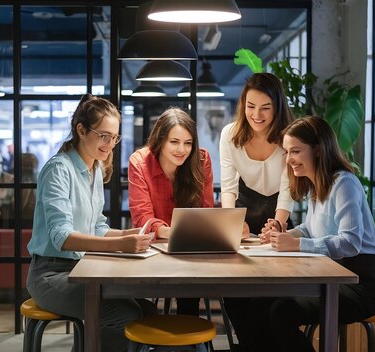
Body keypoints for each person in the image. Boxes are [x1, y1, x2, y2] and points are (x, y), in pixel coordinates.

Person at [234, 116, 375, 352]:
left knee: (280, 311)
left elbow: (350, 243)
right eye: (286, 152)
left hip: (362, 284)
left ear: (318, 150)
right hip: (330, 277)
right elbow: (310, 229)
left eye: (295, 151)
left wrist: (295, 245)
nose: (288, 159)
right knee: (256, 305)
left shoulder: (344, 183)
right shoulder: (317, 185)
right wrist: (280, 236)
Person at [26, 94, 152, 352]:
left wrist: (127, 234)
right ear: (81, 130)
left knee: (146, 308)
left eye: (114, 137)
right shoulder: (58, 169)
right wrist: (120, 245)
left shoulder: (94, 168)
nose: (110, 144)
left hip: (81, 270)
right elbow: (62, 237)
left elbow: (96, 227)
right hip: (50, 275)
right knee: (124, 314)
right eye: (103, 135)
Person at [128, 108, 214, 316]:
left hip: (190, 249)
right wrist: (174, 231)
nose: (182, 150)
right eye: (174, 142)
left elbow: (206, 211)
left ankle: (189, 344)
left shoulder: (201, 160)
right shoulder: (140, 162)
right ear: (160, 140)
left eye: (188, 143)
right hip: (153, 250)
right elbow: (142, 219)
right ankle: (155, 339)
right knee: (141, 301)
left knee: (190, 289)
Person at [219, 72, 294, 236]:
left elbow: (288, 189)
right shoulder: (229, 135)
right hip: (243, 210)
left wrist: (278, 225)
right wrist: (231, 221)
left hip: (279, 212)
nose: (256, 115)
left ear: (277, 107)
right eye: (250, 106)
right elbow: (228, 187)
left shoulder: (290, 137)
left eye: (265, 108)